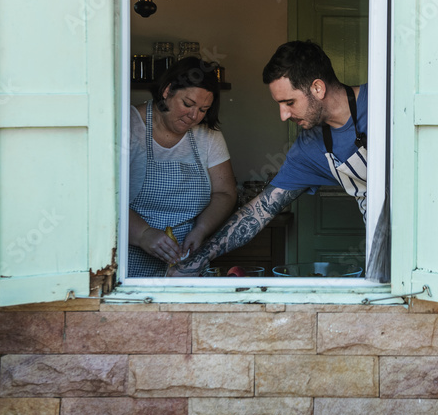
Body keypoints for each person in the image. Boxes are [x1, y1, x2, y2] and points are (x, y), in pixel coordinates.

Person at [166, 41, 371, 277]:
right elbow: (259, 211)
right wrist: (200, 258)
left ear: (317, 88)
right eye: (279, 105)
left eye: (289, 103)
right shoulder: (309, 147)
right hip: (384, 245)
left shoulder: (387, 102)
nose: (283, 116)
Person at [128, 56, 238, 277]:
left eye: (203, 109)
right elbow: (103, 197)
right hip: (131, 262)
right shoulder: (128, 125)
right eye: (188, 104)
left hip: (187, 264)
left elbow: (225, 193)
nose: (194, 116)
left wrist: (201, 230)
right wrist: (143, 234)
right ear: (167, 91)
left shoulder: (208, 135)